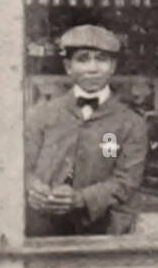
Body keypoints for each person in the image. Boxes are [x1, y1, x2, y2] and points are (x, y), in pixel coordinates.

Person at [25, 25, 148, 235]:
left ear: (113, 67)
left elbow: (127, 181)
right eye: (83, 59)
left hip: (102, 229)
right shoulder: (42, 114)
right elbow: (20, 166)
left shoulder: (131, 122)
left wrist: (80, 199)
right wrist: (32, 186)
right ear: (68, 67)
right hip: (43, 228)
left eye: (101, 59)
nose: (93, 68)